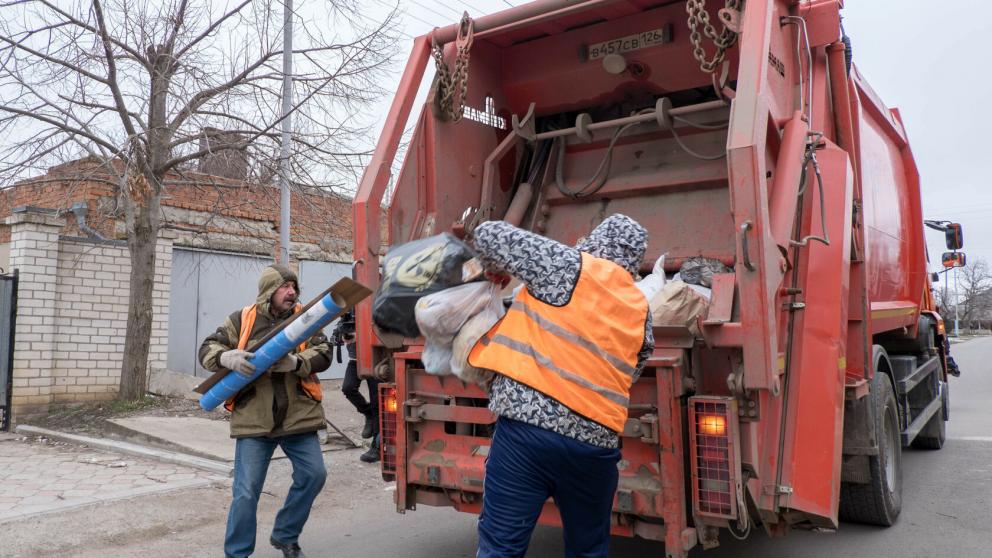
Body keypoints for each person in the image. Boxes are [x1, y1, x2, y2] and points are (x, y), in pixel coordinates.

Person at [467, 214, 654, 558]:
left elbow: (488, 234)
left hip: (527, 437)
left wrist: (499, 266)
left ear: (596, 240)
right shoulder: (641, 310)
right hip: (595, 450)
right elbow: (631, 369)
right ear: (634, 261)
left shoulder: (566, 265)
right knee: (588, 551)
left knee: (501, 549)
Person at [199, 265, 332, 558]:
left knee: (314, 475)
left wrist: (296, 363)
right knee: (246, 493)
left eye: (294, 287)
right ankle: (237, 553)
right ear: (269, 291)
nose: (292, 292)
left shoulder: (306, 318)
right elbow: (207, 348)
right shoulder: (242, 319)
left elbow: (325, 352)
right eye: (285, 287)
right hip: (254, 419)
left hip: (298, 416)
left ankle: (285, 535)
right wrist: (226, 357)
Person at [332, 309, 381, 462]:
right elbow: (336, 338)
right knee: (348, 388)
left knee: (378, 404)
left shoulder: (375, 312)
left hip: (376, 361)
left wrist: (361, 336)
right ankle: (368, 414)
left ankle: (377, 447)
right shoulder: (347, 317)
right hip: (355, 361)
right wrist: (341, 336)